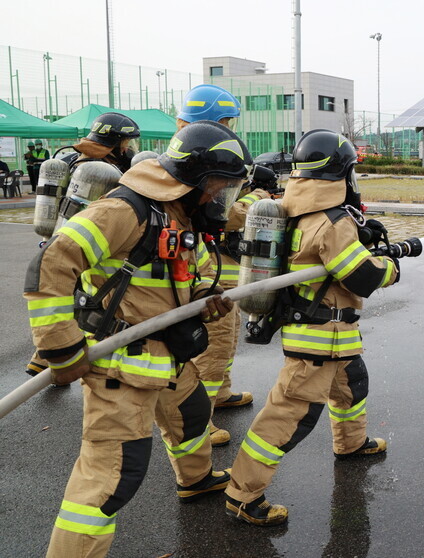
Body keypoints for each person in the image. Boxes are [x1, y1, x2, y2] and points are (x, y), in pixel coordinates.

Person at [24, 120, 250, 558]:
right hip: (121, 368)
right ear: (196, 180)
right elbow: (50, 264)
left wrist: (205, 292)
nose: (221, 200)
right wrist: (62, 348)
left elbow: (195, 265)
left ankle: (196, 479)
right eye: (220, 188)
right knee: (110, 480)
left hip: (167, 357)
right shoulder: (126, 211)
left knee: (192, 414)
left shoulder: (177, 214)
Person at [224, 129, 399, 526]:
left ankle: (351, 443)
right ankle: (242, 493)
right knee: (287, 418)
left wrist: (364, 235)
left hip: (334, 335)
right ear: (340, 173)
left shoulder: (294, 207)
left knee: (353, 385)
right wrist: (391, 266)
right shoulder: (332, 221)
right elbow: (361, 277)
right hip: (320, 338)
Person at [23, 113, 142, 382]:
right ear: (117, 142)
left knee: (67, 299)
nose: (129, 149)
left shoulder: (68, 159)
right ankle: (54, 359)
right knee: (84, 302)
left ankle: (40, 361)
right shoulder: (105, 171)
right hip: (87, 245)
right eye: (127, 143)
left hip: (55, 238)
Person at [174, 83, 257, 448]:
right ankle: (199, 420)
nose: (231, 128)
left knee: (229, 327)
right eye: (226, 121)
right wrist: (258, 201)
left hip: (211, 257)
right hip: (198, 264)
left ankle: (220, 393)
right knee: (215, 340)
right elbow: (224, 214)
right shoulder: (197, 163)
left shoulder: (189, 153)